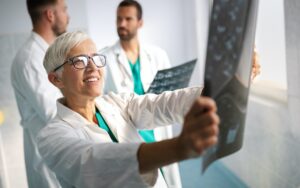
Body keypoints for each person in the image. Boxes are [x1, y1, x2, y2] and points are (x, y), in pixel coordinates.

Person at [37, 31, 219, 188]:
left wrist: (218, 87)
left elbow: (164, 104)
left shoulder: (116, 102)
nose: (93, 68)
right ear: (56, 79)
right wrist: (179, 147)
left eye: (96, 58)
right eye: (80, 61)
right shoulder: (52, 137)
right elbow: (96, 165)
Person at [101, 1, 181, 186]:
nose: (122, 24)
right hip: (128, 136)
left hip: (158, 131)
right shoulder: (104, 58)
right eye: (119, 19)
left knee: (167, 180)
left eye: (128, 19)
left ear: (140, 23)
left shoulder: (158, 55)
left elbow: (171, 93)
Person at [10, 0, 69, 187]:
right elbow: (55, 113)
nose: (68, 16)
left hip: (62, 155)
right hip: (48, 162)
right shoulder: (30, 59)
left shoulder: (48, 53)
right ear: (50, 15)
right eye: (64, 10)